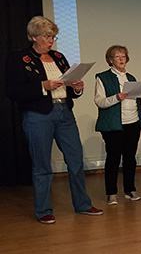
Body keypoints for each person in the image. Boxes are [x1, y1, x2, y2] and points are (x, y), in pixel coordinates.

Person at [5, 16, 103, 224]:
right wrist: (43, 86)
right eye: (46, 37)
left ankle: (83, 204)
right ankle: (43, 210)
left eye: (53, 37)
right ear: (33, 36)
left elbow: (66, 86)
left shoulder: (59, 57)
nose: (50, 41)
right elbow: (13, 91)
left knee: (76, 160)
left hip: (64, 113)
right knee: (42, 165)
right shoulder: (19, 58)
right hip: (38, 115)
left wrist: (76, 88)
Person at [94, 45, 141, 205]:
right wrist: (116, 98)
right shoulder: (102, 77)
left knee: (130, 158)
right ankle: (111, 193)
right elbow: (99, 101)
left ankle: (129, 189)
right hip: (114, 125)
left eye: (123, 56)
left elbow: (139, 102)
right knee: (113, 158)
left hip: (132, 123)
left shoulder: (131, 78)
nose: (121, 59)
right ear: (110, 60)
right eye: (117, 56)